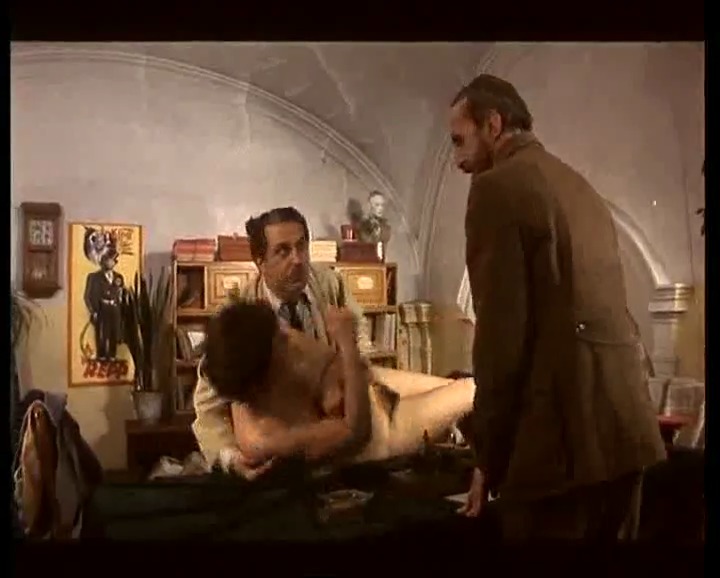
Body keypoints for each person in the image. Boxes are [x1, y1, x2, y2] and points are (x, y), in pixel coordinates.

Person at [449, 74, 666, 540]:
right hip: (626, 440)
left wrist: (487, 458)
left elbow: (500, 344)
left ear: (492, 124)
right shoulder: (579, 185)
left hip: (558, 454)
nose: (457, 160)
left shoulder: (495, 188)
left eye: (459, 140)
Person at [201, 299, 476, 468]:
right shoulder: (264, 438)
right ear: (264, 375)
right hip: (381, 432)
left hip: (369, 382)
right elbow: (356, 433)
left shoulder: (267, 337)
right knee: (473, 390)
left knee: (461, 385)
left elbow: (328, 361)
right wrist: (347, 340)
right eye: (280, 343)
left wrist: (332, 384)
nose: (288, 338)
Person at [83, 248, 124, 360]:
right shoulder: (94, 277)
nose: (110, 263)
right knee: (102, 335)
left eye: (112, 260)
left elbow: (121, 294)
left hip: (114, 309)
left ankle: (112, 356)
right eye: (107, 260)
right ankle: (101, 356)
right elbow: (88, 296)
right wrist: (93, 311)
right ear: (103, 262)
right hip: (101, 309)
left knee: (114, 333)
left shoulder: (118, 277)